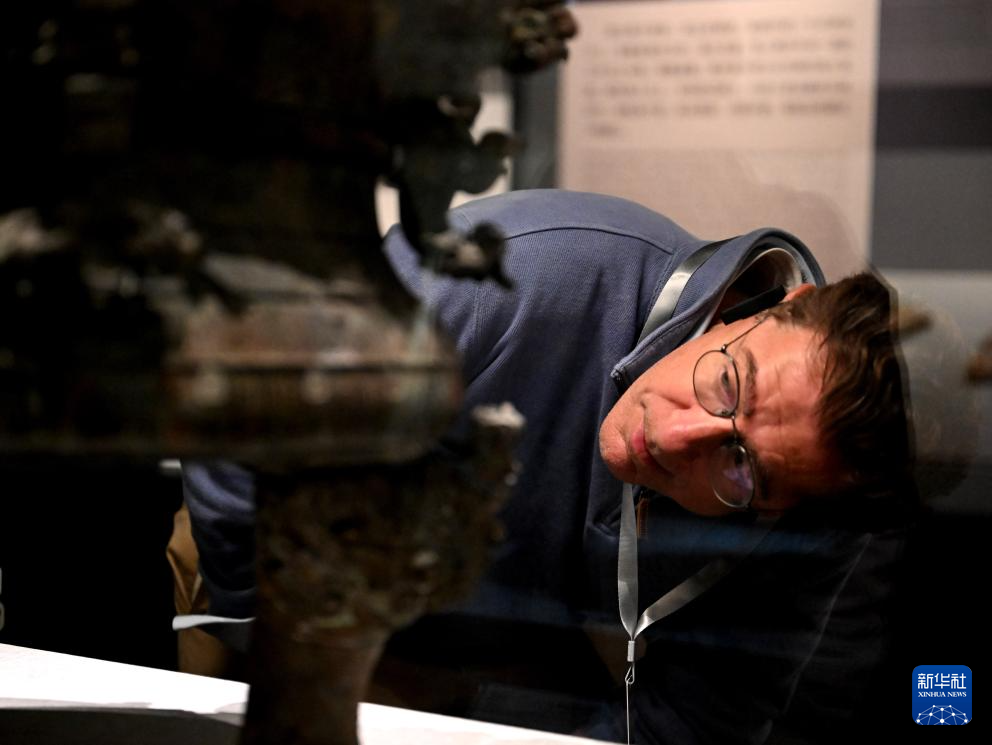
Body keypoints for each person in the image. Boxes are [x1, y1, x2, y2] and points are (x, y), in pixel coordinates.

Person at [175, 189, 911, 744]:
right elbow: (244, 414)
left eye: (739, 465)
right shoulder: (518, 271)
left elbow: (699, 719)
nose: (675, 437)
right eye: (728, 382)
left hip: (499, 647)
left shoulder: (814, 500)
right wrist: (277, 642)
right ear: (771, 306)